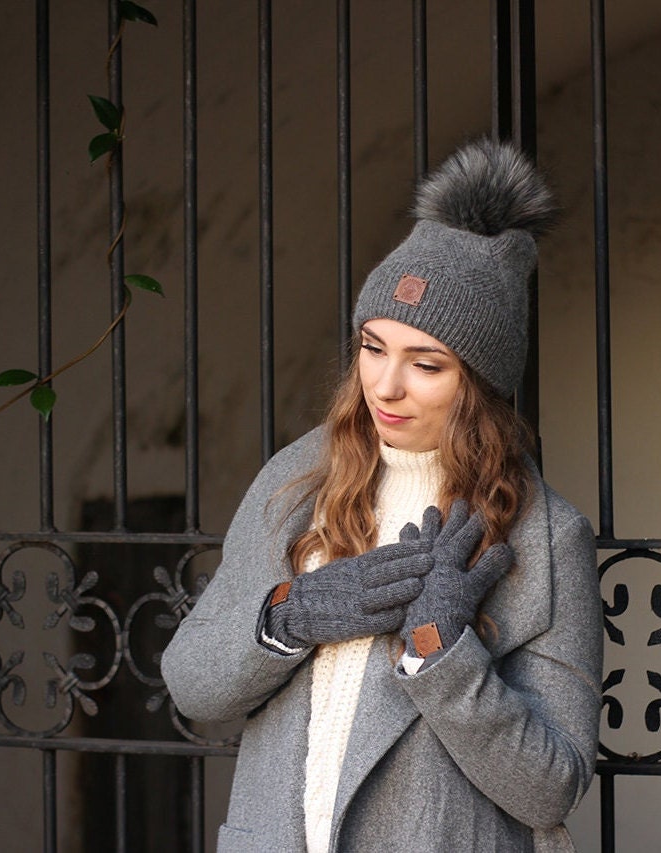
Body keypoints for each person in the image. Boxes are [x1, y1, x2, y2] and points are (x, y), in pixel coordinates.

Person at [161, 137, 603, 853]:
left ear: (480, 382)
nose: (385, 385)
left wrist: (441, 653)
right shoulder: (298, 479)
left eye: (425, 364)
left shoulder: (545, 535)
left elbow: (551, 788)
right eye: (372, 347)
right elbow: (191, 685)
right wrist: (289, 616)